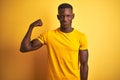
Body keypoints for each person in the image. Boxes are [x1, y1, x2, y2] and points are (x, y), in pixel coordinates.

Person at [20, 3, 88, 80]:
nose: (65, 19)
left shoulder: (81, 36)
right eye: (62, 16)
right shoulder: (48, 35)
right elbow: (24, 48)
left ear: (73, 16)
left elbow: (84, 64)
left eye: (68, 16)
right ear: (58, 17)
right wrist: (31, 27)